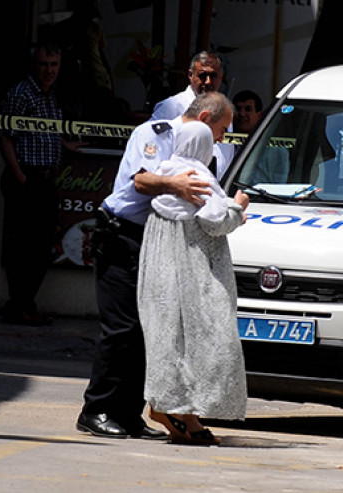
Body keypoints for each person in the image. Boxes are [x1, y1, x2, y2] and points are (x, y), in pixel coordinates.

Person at [75, 93, 234, 440]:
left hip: (158, 243)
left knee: (150, 329)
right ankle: (96, 410)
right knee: (121, 327)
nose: (223, 137)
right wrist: (175, 184)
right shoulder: (154, 133)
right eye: (222, 129)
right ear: (205, 118)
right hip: (121, 235)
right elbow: (141, 181)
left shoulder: (202, 148)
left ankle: (129, 414)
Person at [139, 113, 250, 446]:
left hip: (161, 273)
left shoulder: (166, 171)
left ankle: (180, 414)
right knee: (207, 336)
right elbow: (216, 222)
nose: (217, 143)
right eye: (214, 138)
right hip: (193, 271)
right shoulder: (197, 176)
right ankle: (173, 410)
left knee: (170, 338)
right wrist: (238, 208)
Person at [0, 42, 85, 326]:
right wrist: (20, 177)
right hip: (26, 177)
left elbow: (46, 130)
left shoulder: (51, 96)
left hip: (46, 179)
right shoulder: (21, 94)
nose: (49, 71)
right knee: (22, 246)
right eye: (43, 65)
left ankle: (25, 304)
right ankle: (19, 306)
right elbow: (5, 137)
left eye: (54, 65)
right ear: (33, 66)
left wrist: (65, 144)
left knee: (42, 245)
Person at [149, 51, 235, 179]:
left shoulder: (224, 111)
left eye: (213, 76)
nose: (208, 81)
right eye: (202, 75)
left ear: (221, 77)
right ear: (190, 75)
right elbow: (152, 147)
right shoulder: (171, 107)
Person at [52, 0, 121, 123]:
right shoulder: (67, 28)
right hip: (77, 81)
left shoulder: (95, 30)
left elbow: (103, 57)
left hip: (98, 79)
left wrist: (110, 82)